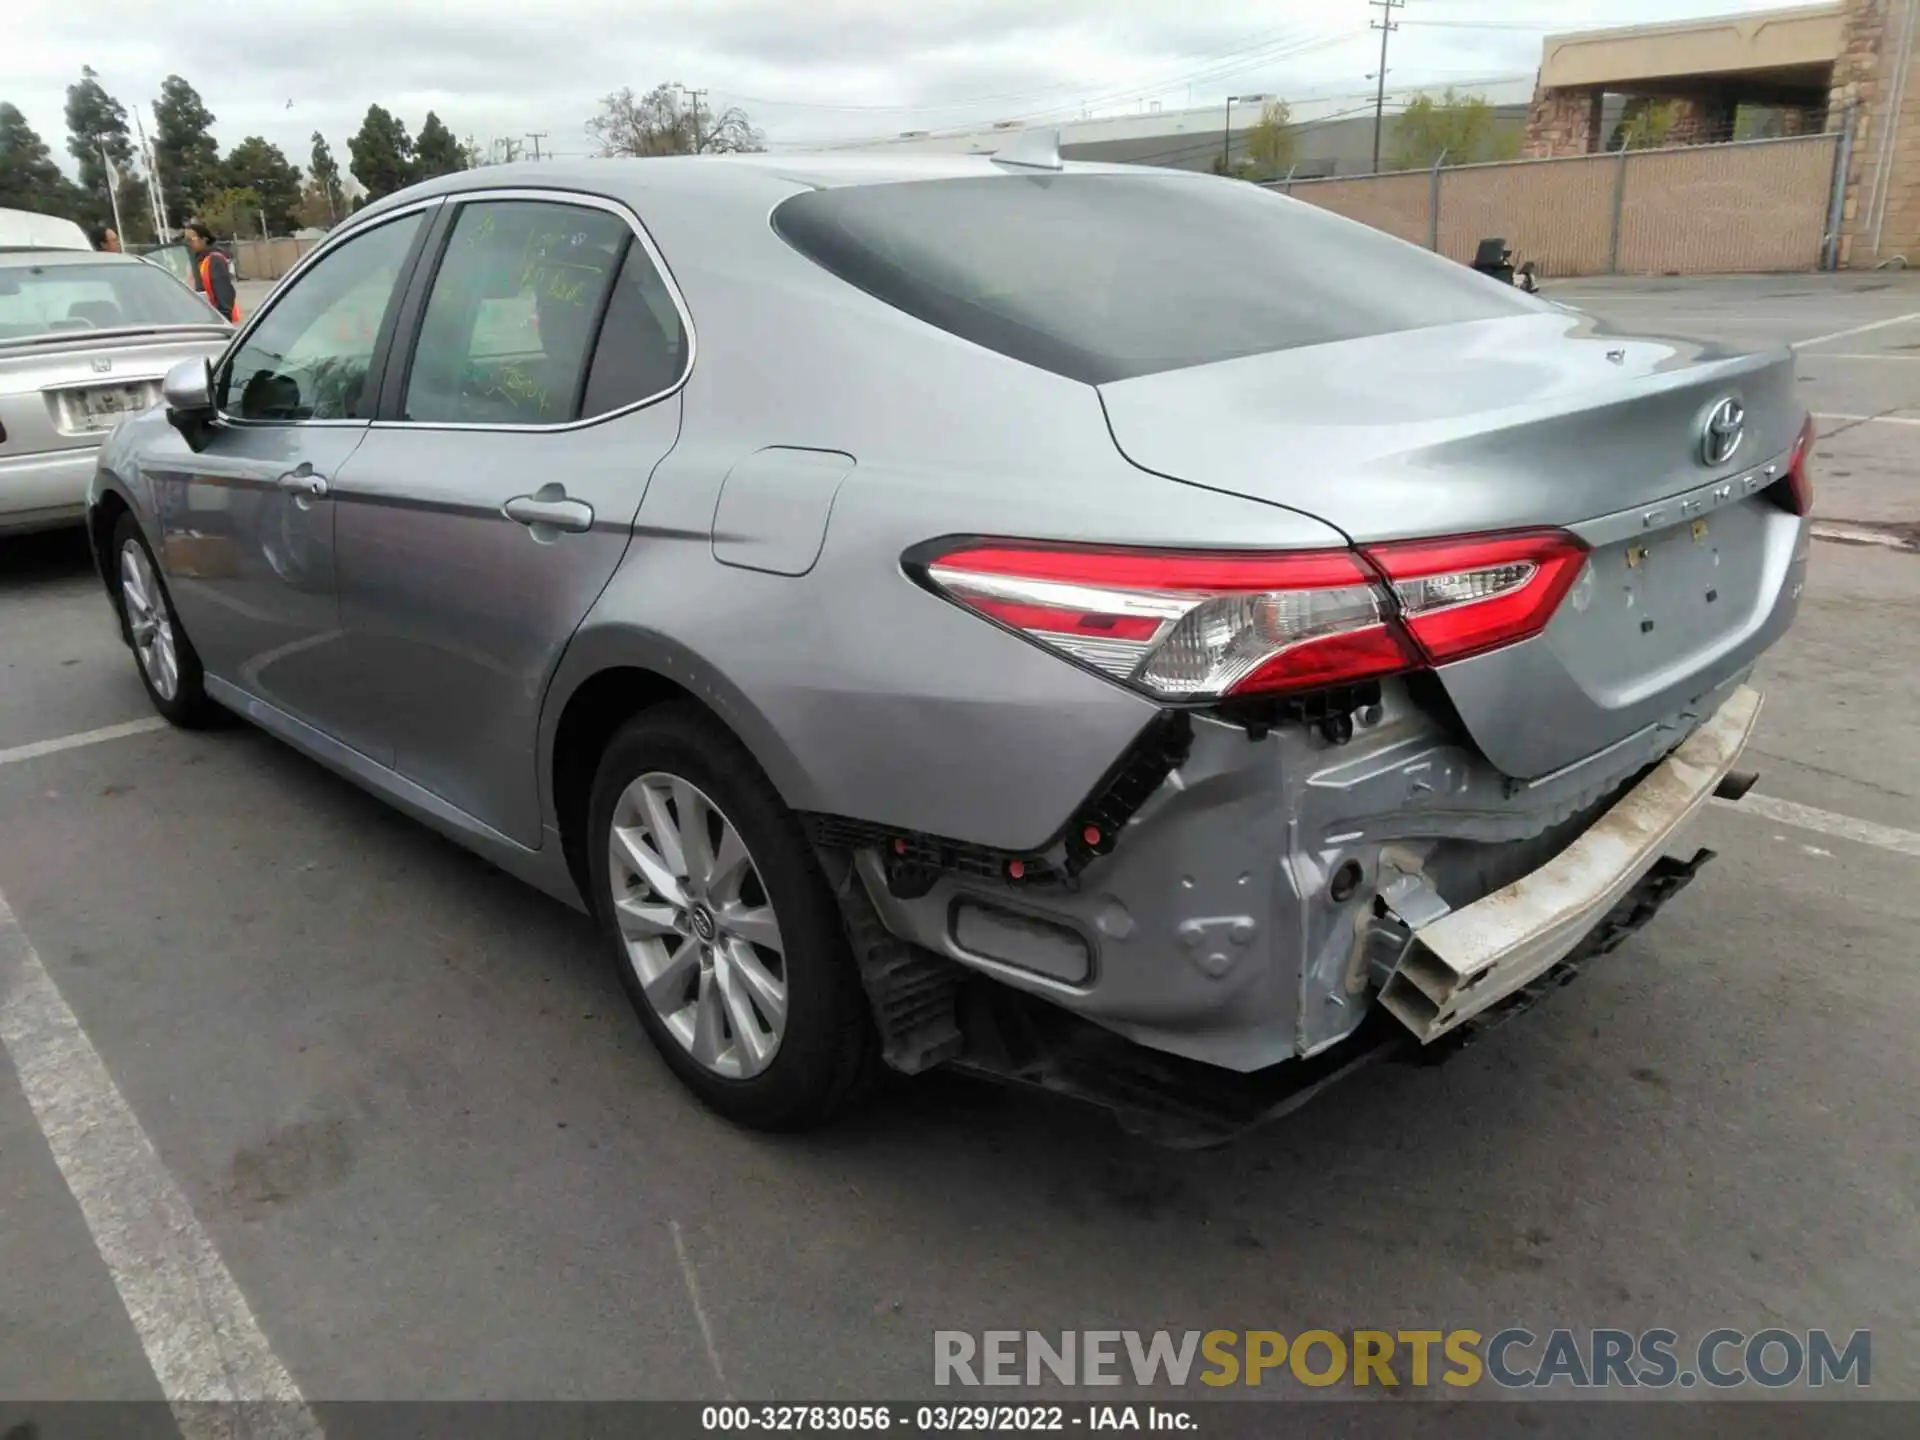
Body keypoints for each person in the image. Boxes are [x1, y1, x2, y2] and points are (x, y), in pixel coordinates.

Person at [185, 221, 242, 323]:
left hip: (218, 319)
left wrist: (224, 320)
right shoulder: (196, 260)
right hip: (205, 317)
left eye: (191, 240)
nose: (188, 244)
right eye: (186, 240)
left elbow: (224, 292)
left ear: (204, 240)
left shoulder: (215, 260)